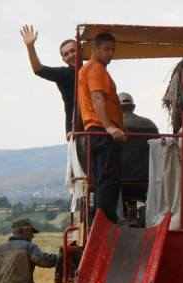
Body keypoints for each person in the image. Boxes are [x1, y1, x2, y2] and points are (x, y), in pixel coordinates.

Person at [77, 32, 125, 223]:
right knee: (108, 178)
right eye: (106, 49)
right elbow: (97, 98)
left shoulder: (85, 70)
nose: (110, 54)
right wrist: (109, 127)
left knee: (101, 179)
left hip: (93, 131)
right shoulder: (96, 69)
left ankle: (100, 217)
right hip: (101, 130)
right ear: (94, 49)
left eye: (112, 49)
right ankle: (105, 219)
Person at [20, 24, 76, 138]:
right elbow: (38, 69)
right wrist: (30, 47)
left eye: (73, 51)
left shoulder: (92, 70)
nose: (70, 55)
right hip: (76, 131)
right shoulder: (64, 74)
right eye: (66, 54)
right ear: (63, 59)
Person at [0, 219, 58, 283]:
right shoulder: (29, 247)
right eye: (31, 232)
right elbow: (43, 260)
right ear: (23, 231)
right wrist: (60, 258)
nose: (33, 236)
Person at [119, 92, 159, 225]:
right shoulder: (150, 126)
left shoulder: (111, 127)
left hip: (117, 182)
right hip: (146, 182)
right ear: (133, 106)